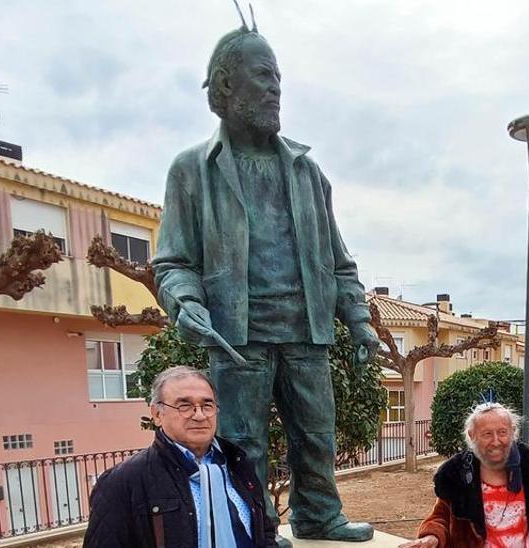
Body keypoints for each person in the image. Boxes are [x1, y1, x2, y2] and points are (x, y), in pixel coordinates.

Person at [151, 22, 379, 543]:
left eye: (278, 77)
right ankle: (255, 526)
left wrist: (360, 323)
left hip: (307, 330)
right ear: (226, 86)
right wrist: (185, 301)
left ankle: (320, 515)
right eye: (263, 75)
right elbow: (172, 261)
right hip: (238, 335)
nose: (276, 88)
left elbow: (340, 263)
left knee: (316, 435)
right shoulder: (193, 170)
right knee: (242, 441)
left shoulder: (307, 173)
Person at [84, 367, 276, 548]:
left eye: (207, 405)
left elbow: (263, 531)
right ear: (157, 414)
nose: (199, 415)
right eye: (185, 406)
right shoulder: (123, 481)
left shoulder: (238, 464)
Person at [399, 403, 529, 548]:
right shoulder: (458, 476)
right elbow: (441, 517)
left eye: (502, 432)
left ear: (513, 432)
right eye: (487, 434)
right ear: (472, 436)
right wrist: (431, 537)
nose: (496, 441)